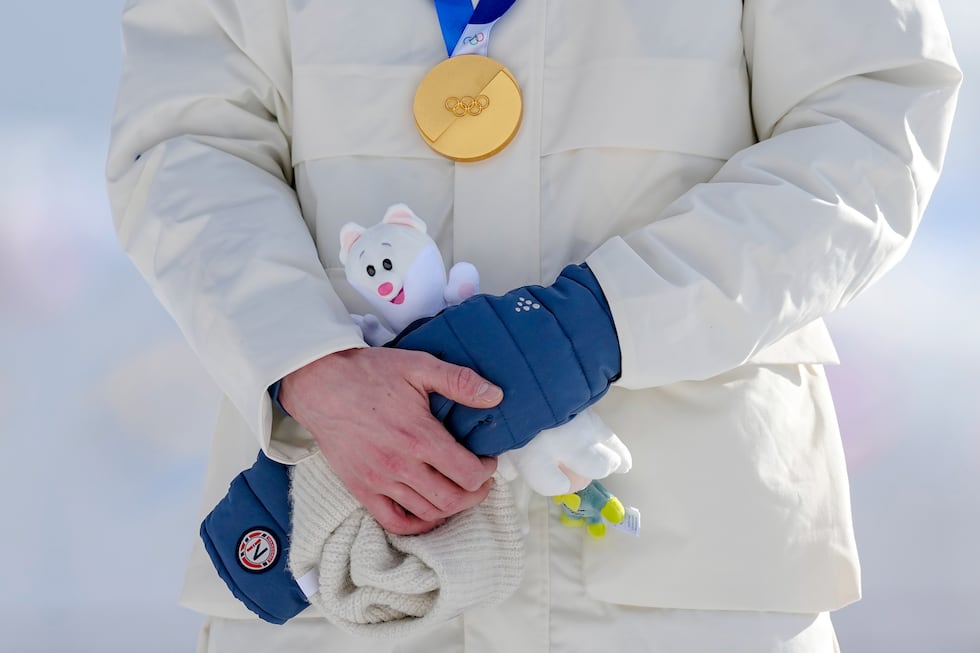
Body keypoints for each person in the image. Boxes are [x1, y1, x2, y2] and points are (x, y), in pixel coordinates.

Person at [106, 0, 961, 651]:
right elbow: (184, 142)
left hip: (686, 575)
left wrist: (612, 318)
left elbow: (871, 126)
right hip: (346, 559)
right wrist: (310, 362)